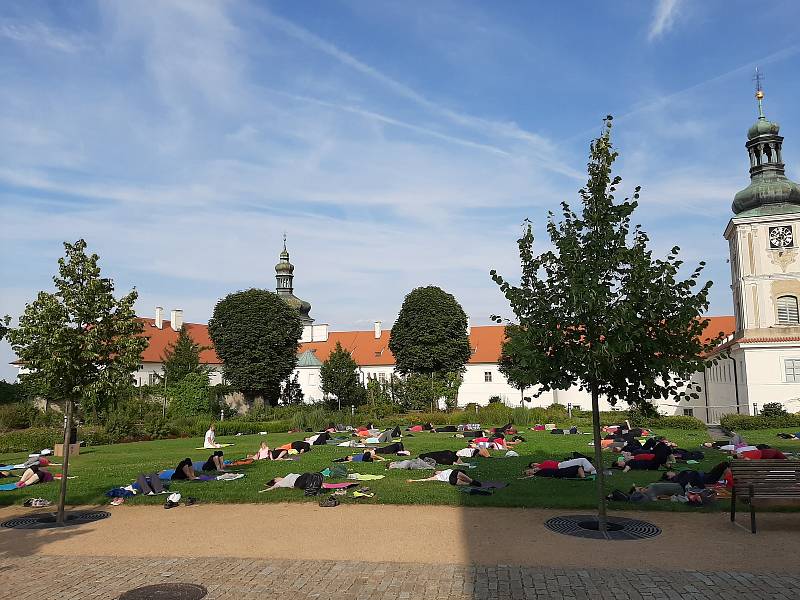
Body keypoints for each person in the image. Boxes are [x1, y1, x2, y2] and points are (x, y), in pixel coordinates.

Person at [407, 468, 481, 487]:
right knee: (458, 474)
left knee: (462, 478)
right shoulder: (437, 476)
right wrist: (414, 480)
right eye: (436, 472)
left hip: (452, 479)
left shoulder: (446, 470)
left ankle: (471, 483)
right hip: (452, 476)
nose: (437, 471)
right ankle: (472, 481)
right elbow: (426, 480)